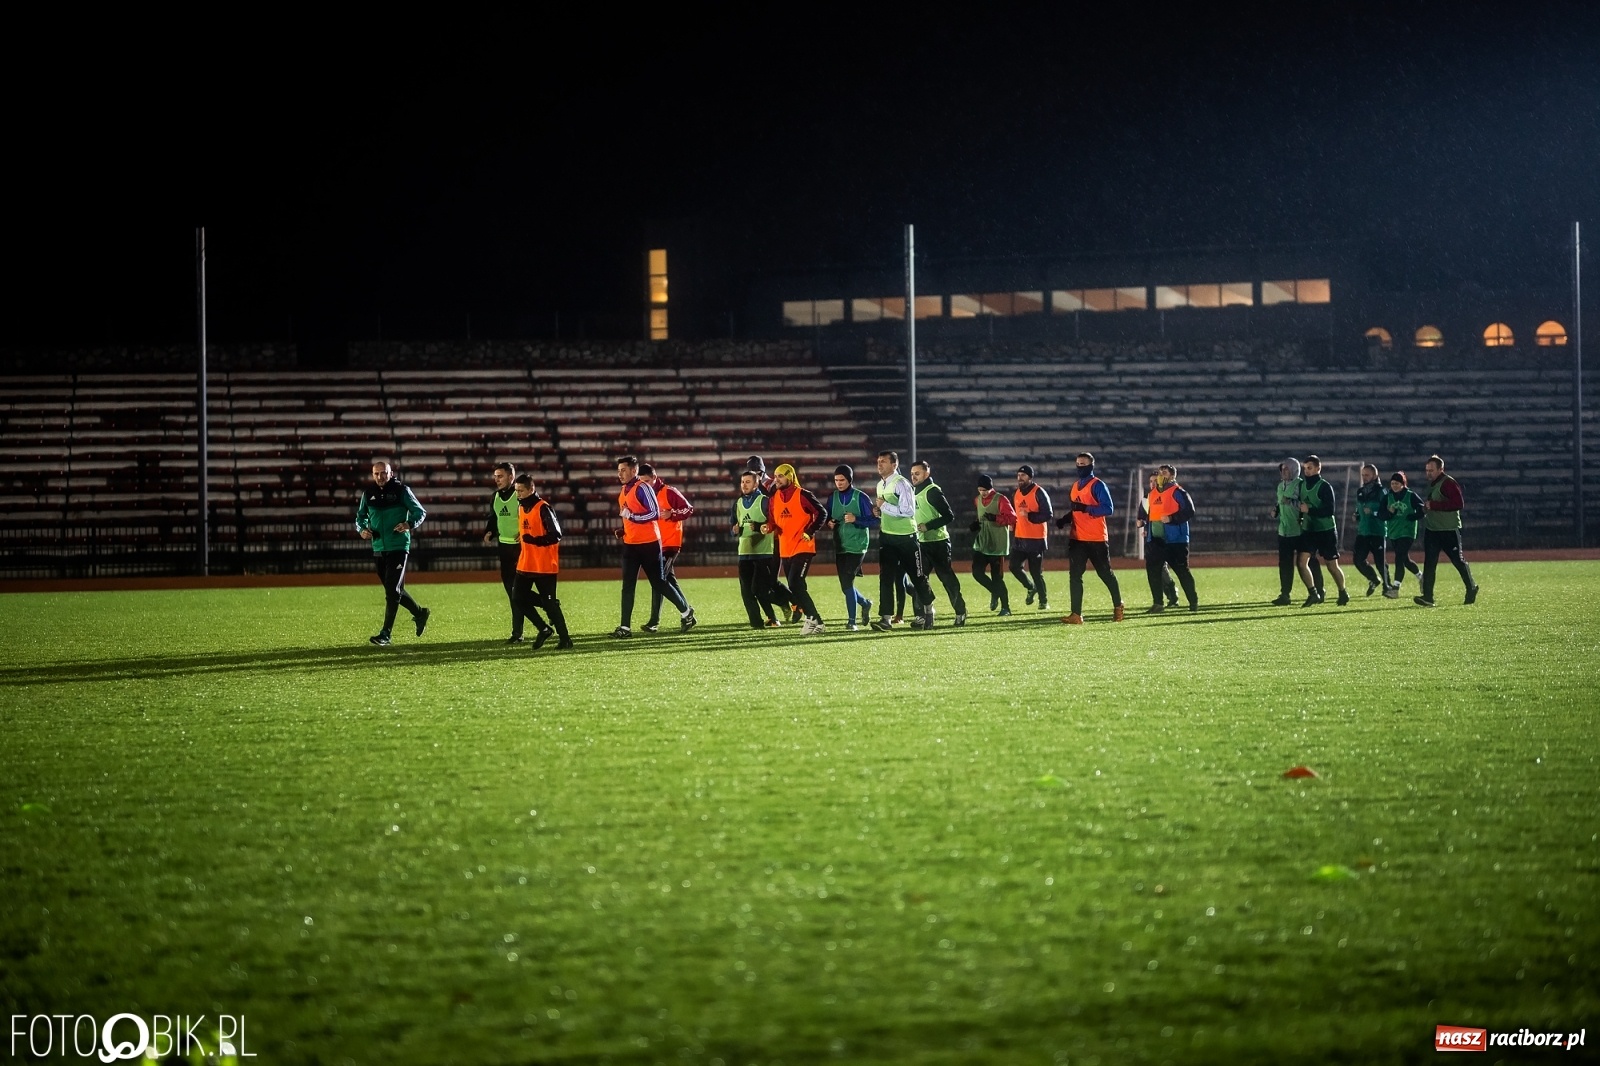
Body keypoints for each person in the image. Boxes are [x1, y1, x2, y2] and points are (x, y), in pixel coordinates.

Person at [612, 455, 696, 637]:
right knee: (628, 586)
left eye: (623, 470)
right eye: (618, 470)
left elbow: (654, 513)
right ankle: (625, 628)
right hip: (630, 544)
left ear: (634, 470)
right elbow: (632, 515)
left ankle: (686, 612)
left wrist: (632, 518)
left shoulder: (642, 488)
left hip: (649, 544)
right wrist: (624, 530)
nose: (620, 474)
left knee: (659, 583)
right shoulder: (623, 490)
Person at [356, 461, 430, 646]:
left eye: (383, 473)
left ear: (391, 473)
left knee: (392, 591)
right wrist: (362, 529)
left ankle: (385, 634)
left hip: (398, 546)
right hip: (379, 548)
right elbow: (360, 517)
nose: (380, 477)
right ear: (372, 475)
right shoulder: (368, 494)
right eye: (376, 474)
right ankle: (420, 613)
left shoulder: (402, 491)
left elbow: (419, 512)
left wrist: (408, 524)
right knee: (395, 590)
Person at [1057, 452, 1124, 624]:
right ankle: (1076, 614)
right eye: (1078, 464)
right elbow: (1076, 510)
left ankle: (1118, 605)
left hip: (1096, 539)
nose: (1080, 467)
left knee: (1105, 574)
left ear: (1091, 465)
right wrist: (1066, 518)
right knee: (1075, 575)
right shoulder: (1075, 486)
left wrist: (1086, 508)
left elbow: (1108, 509)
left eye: (1083, 464)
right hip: (1077, 539)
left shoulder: (1098, 485)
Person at [869, 450, 931, 631]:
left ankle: (928, 612)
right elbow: (887, 511)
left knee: (918, 577)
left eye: (883, 461)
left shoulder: (902, 484)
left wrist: (884, 506)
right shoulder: (880, 485)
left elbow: (908, 511)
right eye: (878, 461)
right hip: (887, 537)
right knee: (885, 578)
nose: (879, 464)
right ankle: (886, 619)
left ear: (894, 464)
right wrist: (878, 512)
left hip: (906, 538)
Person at [510, 473, 571, 650]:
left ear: (532, 489)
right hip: (526, 563)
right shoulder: (521, 508)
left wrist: (532, 539)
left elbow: (556, 535)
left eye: (521, 491)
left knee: (549, 604)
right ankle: (543, 628)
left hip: (544, 565)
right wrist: (522, 537)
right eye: (516, 491)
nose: (518, 494)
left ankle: (565, 639)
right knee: (518, 598)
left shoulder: (543, 507)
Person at [767, 463, 829, 634]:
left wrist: (810, 531)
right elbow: (773, 522)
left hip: (803, 546)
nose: (776, 479)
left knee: (795, 583)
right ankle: (815, 620)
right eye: (775, 476)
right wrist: (768, 527)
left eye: (780, 476)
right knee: (796, 586)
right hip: (785, 549)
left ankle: (812, 619)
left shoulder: (803, 495)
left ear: (790, 476)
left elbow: (821, 513)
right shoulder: (773, 499)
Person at [1415, 454, 1480, 607]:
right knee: (1429, 564)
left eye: (1431, 470)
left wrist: (1434, 506)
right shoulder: (1433, 484)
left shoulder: (1448, 483)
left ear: (1441, 469)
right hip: (1432, 529)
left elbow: (1458, 504)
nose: (1428, 473)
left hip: (1448, 530)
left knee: (1458, 561)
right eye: (1427, 470)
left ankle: (1471, 587)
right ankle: (1428, 597)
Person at [910, 460, 968, 626]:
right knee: (919, 579)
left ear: (926, 473)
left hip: (938, 543)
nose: (913, 476)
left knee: (946, 578)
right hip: (921, 542)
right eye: (912, 473)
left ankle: (960, 611)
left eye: (917, 473)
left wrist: (928, 526)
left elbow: (949, 516)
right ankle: (922, 616)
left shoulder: (932, 491)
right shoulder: (914, 491)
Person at [639, 462, 694, 634]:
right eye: (642, 482)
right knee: (668, 581)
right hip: (656, 544)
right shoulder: (644, 494)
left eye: (647, 481)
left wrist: (672, 514)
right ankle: (687, 615)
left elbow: (688, 509)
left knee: (658, 581)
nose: (644, 485)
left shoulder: (668, 491)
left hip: (670, 544)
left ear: (655, 478)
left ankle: (654, 621)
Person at [826, 464, 878, 630]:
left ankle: (851, 622)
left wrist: (857, 519)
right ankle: (865, 603)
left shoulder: (861, 497)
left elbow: (875, 520)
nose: (839, 483)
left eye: (842, 480)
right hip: (840, 546)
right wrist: (830, 523)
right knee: (845, 586)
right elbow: (827, 518)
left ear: (849, 480)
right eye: (836, 480)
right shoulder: (832, 498)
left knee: (847, 582)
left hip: (857, 545)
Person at [1141, 464, 1198, 613]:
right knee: (1153, 571)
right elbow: (1150, 515)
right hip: (1156, 540)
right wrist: (1147, 529)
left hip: (1175, 540)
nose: (1161, 475)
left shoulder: (1178, 492)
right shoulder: (1152, 494)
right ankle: (1158, 603)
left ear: (1172, 476)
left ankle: (1193, 602)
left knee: (1182, 571)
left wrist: (1172, 518)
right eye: (1160, 472)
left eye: (1164, 472)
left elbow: (1190, 511)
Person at [731, 469, 784, 628]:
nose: (744, 485)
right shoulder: (738, 504)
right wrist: (734, 531)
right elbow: (734, 525)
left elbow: (774, 524)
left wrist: (761, 527)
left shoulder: (765, 501)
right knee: (746, 592)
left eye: (748, 482)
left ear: (756, 484)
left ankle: (786, 604)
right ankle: (756, 623)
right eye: (742, 482)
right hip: (744, 552)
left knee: (759, 589)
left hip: (763, 553)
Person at [1295, 455, 1349, 607]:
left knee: (1331, 565)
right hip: (1309, 529)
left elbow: (1329, 510)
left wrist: (1309, 510)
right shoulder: (1302, 485)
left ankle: (1343, 592)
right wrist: (1300, 517)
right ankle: (1313, 593)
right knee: (1301, 562)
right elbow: (1302, 505)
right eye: (1305, 468)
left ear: (1319, 468)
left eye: (1309, 468)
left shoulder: (1325, 486)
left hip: (1326, 530)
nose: (1306, 471)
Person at [1272, 458, 1322, 606]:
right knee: (1285, 564)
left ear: (1294, 470)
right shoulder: (1280, 486)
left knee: (1309, 562)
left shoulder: (1301, 485)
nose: (1284, 471)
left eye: (1287, 469)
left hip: (1300, 531)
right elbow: (1280, 502)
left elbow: (1305, 504)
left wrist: (1292, 503)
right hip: (1284, 531)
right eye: (1282, 469)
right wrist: (1276, 510)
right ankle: (1285, 594)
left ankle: (1319, 590)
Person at [481, 461, 522, 639]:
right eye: (495, 476)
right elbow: (493, 518)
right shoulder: (495, 497)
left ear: (511, 477)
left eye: (501, 476)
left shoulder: (521, 495)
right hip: (504, 549)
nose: (497, 480)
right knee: (512, 592)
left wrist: (526, 532)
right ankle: (518, 632)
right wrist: (489, 531)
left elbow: (532, 517)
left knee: (521, 591)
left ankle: (548, 608)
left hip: (522, 549)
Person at [970, 474, 1016, 616]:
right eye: (980, 489)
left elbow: (1013, 518)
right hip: (982, 542)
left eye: (985, 490)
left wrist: (996, 518)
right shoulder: (977, 500)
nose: (982, 493)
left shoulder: (1001, 499)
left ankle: (1006, 608)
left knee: (997, 577)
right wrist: (975, 525)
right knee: (977, 572)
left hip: (997, 544)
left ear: (991, 488)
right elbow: (980, 517)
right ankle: (995, 592)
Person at [1010, 464, 1053, 611]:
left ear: (1030, 477)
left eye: (1023, 475)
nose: (1019, 478)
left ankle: (1043, 600)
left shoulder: (1039, 492)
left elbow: (1048, 514)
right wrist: (1013, 525)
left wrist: (1031, 516)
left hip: (1036, 539)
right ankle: (1030, 587)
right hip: (1020, 537)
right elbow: (1015, 514)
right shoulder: (1016, 493)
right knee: (1014, 567)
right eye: (1018, 475)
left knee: (1036, 572)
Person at [1137, 473, 1180, 609]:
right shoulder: (1147, 498)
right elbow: (1142, 518)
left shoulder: (1167, 496)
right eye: (1151, 481)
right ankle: (1169, 597)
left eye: (1156, 481)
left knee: (1161, 568)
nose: (1153, 483)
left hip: (1168, 537)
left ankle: (1170, 596)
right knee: (1158, 569)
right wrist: (1143, 525)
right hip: (1153, 538)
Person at [1350, 462, 1391, 597]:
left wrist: (1373, 512)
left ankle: (1387, 586)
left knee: (1380, 562)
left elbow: (1387, 512)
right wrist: (1357, 515)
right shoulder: (1360, 491)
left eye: (1367, 475)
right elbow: (1359, 508)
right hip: (1363, 531)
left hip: (1377, 531)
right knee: (1357, 560)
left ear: (1375, 475)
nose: (1364, 477)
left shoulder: (1382, 491)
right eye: (1363, 475)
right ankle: (1374, 579)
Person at [1382, 470, 1424, 598]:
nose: (1394, 486)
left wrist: (1413, 516)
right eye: (1392, 483)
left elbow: (1423, 508)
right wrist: (1390, 513)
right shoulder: (1387, 497)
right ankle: (1421, 577)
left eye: (1397, 483)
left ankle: (1395, 588)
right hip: (1394, 532)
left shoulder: (1410, 495)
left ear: (1403, 484)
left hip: (1407, 531)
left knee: (1399, 558)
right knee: (1405, 560)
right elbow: (1380, 514)